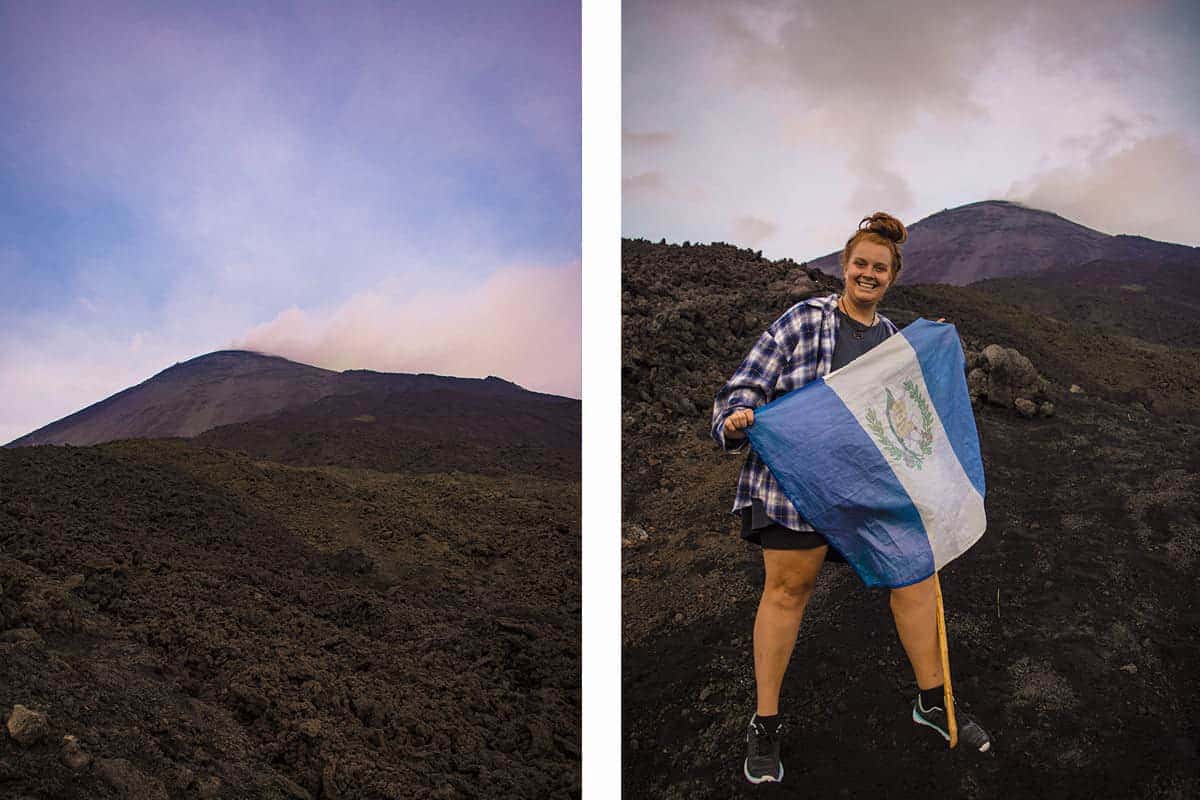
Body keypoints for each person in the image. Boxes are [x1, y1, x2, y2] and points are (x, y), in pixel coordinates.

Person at [710, 212, 992, 785]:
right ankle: (765, 722)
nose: (868, 273)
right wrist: (737, 417)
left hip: (863, 490)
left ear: (892, 277)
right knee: (788, 590)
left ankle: (932, 701)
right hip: (793, 486)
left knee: (916, 576)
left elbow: (908, 420)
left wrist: (932, 347)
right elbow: (741, 389)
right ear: (844, 266)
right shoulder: (802, 321)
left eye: (879, 268)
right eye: (860, 263)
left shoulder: (892, 343)